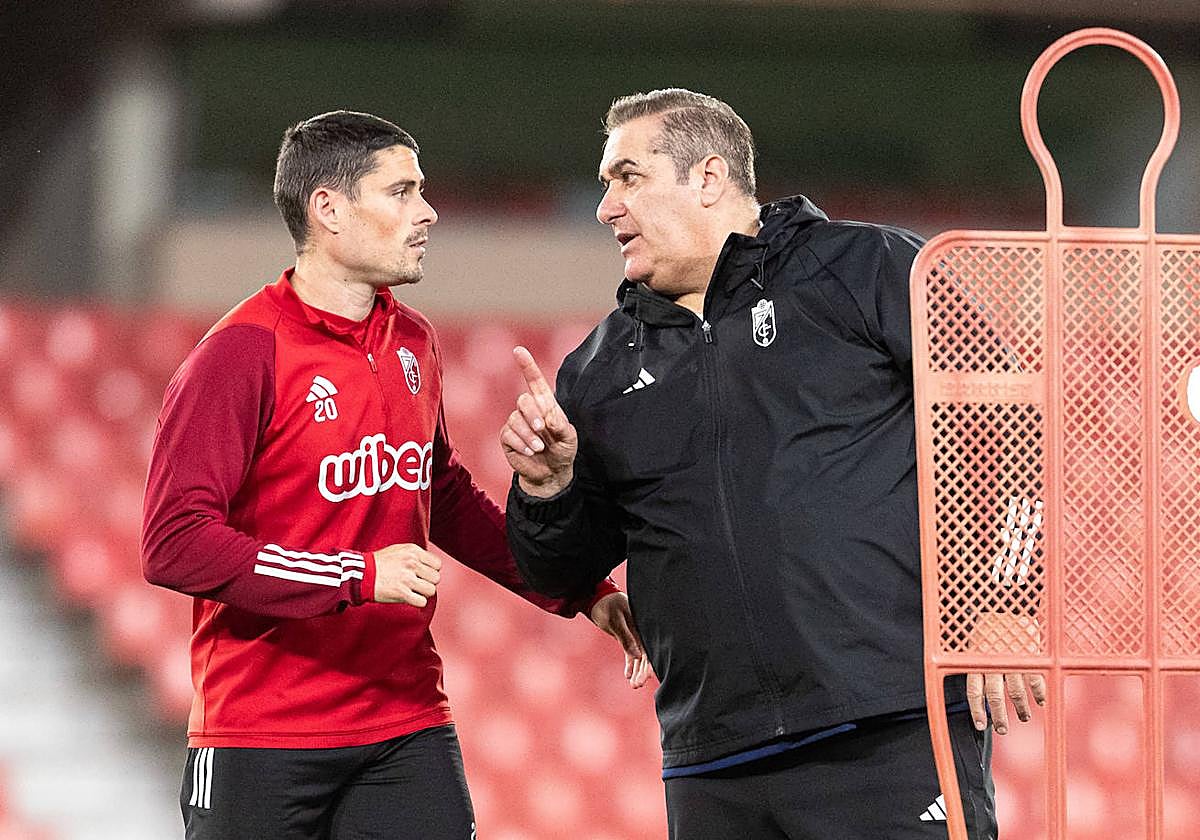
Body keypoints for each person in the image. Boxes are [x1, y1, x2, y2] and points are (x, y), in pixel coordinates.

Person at [502, 89, 1045, 839]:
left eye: (627, 176)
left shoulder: (869, 267)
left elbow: (1015, 421)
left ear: (708, 177)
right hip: (714, 761)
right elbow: (561, 572)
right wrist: (546, 487)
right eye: (604, 184)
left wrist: (1006, 599)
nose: (605, 207)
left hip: (888, 730)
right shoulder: (595, 371)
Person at [141, 109, 646, 840]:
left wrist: (576, 587)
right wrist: (356, 574)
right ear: (329, 210)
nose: (428, 212)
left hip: (405, 722)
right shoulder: (240, 354)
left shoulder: (413, 340)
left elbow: (440, 497)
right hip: (261, 734)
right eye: (402, 192)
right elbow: (175, 543)